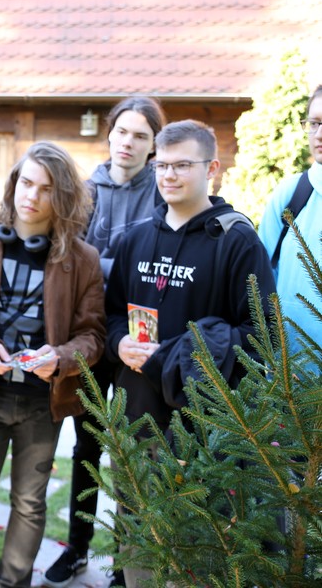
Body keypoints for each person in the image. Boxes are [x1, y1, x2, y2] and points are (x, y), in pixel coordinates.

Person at [104, 120, 276, 585]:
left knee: (196, 551)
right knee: (137, 536)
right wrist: (119, 341)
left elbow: (261, 335)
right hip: (137, 416)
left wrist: (179, 355)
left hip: (204, 430)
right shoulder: (134, 239)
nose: (170, 175)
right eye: (163, 165)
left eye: (183, 165)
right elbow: (111, 316)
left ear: (212, 168)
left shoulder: (237, 241)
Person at [0, 141, 106, 588]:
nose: (32, 195)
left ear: (61, 197)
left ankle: (13, 584)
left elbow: (93, 336)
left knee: (30, 504)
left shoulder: (82, 261)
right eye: (26, 182)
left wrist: (61, 359)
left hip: (40, 404)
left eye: (46, 189)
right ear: (14, 184)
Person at [43, 96, 166, 588]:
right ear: (109, 134)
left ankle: (124, 560)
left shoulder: (160, 190)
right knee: (88, 445)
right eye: (122, 132)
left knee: (133, 449)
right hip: (92, 331)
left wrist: (105, 268)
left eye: (140, 135)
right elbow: (70, 257)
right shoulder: (84, 190)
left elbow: (154, 268)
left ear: (153, 145)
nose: (128, 143)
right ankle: (78, 546)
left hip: (139, 332)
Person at [259, 84, 322, 355]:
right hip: (291, 376)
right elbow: (258, 280)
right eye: (314, 123)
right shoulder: (292, 193)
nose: (319, 134)